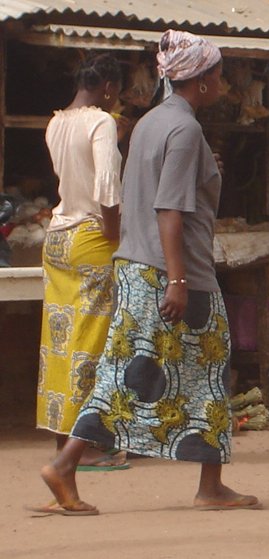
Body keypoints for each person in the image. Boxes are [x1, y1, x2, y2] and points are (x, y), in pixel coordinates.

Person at [32, 30, 259, 516]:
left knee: (129, 372)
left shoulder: (150, 123)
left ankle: (74, 465)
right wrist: (178, 279)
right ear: (200, 81)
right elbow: (169, 209)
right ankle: (203, 485)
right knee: (210, 368)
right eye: (218, 75)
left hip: (135, 266)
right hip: (174, 273)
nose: (222, 84)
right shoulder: (184, 129)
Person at [36, 53, 130, 471]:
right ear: (109, 87)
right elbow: (107, 187)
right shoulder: (101, 121)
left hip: (56, 237)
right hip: (92, 237)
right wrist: (115, 233)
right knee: (92, 344)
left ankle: (62, 437)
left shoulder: (56, 122)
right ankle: (87, 442)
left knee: (59, 342)